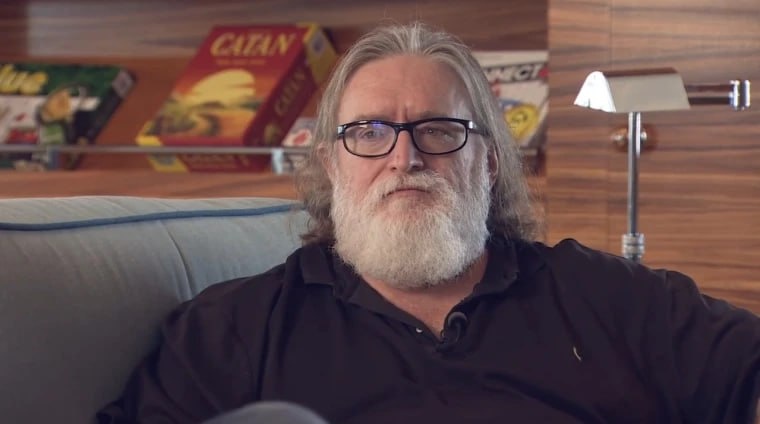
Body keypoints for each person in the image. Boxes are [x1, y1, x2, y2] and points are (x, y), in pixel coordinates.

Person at [98, 21, 760, 424]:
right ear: (330, 164)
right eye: (369, 133)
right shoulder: (234, 332)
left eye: (439, 130)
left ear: (490, 162)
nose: (404, 158)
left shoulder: (607, 299)